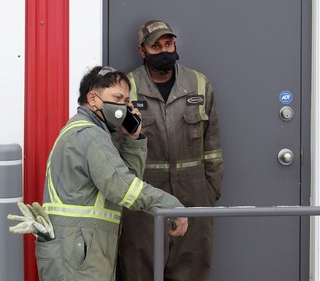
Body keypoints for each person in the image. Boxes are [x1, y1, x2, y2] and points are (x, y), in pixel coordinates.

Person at [35, 66, 188, 281]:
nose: (124, 106)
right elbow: (122, 187)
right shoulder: (90, 135)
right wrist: (170, 205)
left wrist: (132, 140)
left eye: (127, 101)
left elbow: (125, 182)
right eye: (117, 98)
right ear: (93, 99)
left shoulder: (87, 130)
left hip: (80, 248)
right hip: (79, 251)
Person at [119, 20, 223, 281]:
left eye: (169, 43)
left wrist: (210, 191)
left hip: (194, 194)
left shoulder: (199, 84)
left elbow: (212, 146)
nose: (164, 50)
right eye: (156, 46)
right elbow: (116, 147)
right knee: (140, 269)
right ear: (142, 51)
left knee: (192, 269)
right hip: (144, 197)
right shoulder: (126, 89)